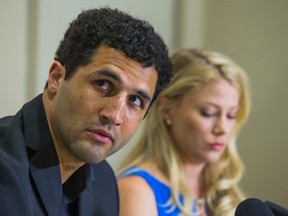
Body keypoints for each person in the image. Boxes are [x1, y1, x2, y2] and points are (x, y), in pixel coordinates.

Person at [0, 7, 172, 216]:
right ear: (57, 77)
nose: (115, 115)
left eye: (135, 100)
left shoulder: (104, 181)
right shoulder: (5, 166)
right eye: (103, 84)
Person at [117, 48, 251, 216]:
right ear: (167, 110)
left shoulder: (222, 193)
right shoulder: (136, 190)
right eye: (208, 112)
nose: (222, 128)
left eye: (231, 115)